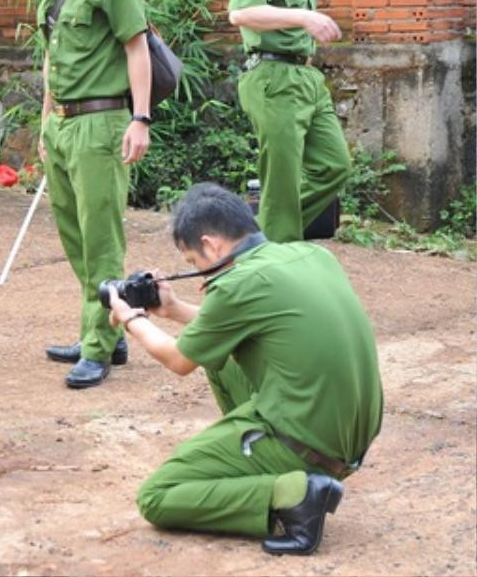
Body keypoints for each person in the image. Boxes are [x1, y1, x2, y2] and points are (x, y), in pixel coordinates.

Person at [104, 183, 383, 555]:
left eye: (193, 262)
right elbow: (241, 322)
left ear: (213, 245)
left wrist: (129, 317)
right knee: (217, 358)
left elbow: (177, 359)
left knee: (157, 496)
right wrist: (172, 310)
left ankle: (293, 492)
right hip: (349, 437)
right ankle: (259, 457)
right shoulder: (308, 254)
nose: (197, 270)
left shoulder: (236, 284)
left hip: (311, 444)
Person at [29, 0, 153, 389]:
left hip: (101, 124)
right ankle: (108, 328)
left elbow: (136, 47)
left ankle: (98, 350)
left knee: (101, 242)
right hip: (61, 126)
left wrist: (140, 118)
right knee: (76, 239)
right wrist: (43, 122)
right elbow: (50, 58)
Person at [227, 0, 351, 243]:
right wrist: (304, 16)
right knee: (281, 185)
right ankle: (275, 261)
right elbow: (240, 13)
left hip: (305, 78)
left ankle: (258, 238)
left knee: (335, 166)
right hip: (273, 78)